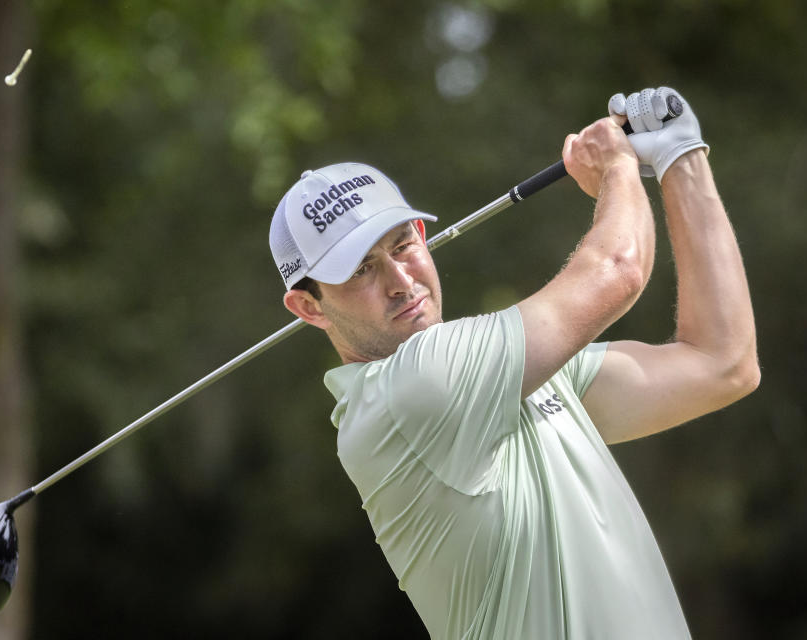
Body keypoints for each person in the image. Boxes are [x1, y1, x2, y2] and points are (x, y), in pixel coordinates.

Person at [269, 87, 759, 639]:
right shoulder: (403, 395)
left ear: (424, 236)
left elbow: (723, 364)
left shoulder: (510, 378)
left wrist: (681, 159)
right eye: (360, 269)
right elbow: (618, 271)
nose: (400, 282)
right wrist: (618, 168)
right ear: (308, 307)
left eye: (402, 245)